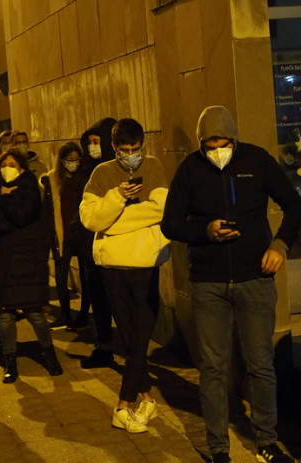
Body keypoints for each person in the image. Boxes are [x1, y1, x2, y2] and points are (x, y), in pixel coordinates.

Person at [162, 106, 301, 463]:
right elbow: (170, 224)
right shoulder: (190, 169)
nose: (216, 149)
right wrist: (205, 231)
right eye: (209, 144)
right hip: (208, 282)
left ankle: (267, 442)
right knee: (212, 367)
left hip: (255, 277)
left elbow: (294, 205)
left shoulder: (256, 160)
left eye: (222, 142)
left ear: (234, 138)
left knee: (260, 363)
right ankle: (218, 448)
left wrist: (279, 244)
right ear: (200, 143)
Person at [79, 118, 170, 434]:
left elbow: (161, 211)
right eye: (125, 150)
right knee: (132, 338)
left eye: (136, 150)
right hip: (114, 266)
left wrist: (114, 223)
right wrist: (117, 196)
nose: (132, 156)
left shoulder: (155, 166)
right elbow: (91, 219)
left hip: (147, 262)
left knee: (141, 335)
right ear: (114, 147)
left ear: (143, 146)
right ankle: (145, 398)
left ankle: (123, 405)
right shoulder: (102, 174)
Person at [0, 148, 63, 382]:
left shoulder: (30, 189)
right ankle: (10, 361)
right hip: (2, 262)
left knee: (35, 313)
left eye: (12, 164)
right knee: (5, 315)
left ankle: (50, 355)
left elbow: (24, 217)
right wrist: (3, 212)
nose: (7, 168)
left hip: (26, 261)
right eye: (4, 164)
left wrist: (5, 200)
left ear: (22, 167)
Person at [76, 117, 117, 368]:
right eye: (90, 142)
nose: (93, 147)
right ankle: (104, 346)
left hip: (114, 248)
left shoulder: (113, 170)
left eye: (97, 141)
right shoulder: (86, 170)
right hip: (91, 248)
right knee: (99, 299)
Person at [40, 141, 89, 328]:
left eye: (77, 159)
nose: (73, 163)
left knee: (86, 278)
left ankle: (83, 316)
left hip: (82, 235)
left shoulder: (85, 179)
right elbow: (47, 210)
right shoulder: (52, 179)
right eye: (69, 159)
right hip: (63, 235)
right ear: (62, 160)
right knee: (61, 278)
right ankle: (66, 316)